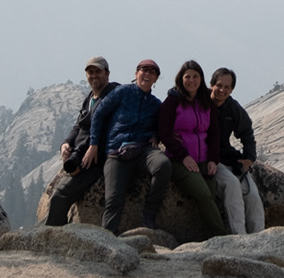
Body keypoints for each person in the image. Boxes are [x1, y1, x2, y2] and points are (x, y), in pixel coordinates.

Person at [87, 58, 171, 231]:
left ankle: (149, 214)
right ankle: (108, 239)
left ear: (156, 79)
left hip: (142, 151)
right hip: (116, 152)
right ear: (136, 73)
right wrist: (93, 144)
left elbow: (161, 126)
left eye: (151, 72)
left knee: (163, 165)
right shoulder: (122, 92)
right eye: (143, 70)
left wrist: (155, 135)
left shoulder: (156, 104)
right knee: (114, 199)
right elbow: (99, 114)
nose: (147, 74)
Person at [156, 59, 229, 236]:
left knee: (210, 197)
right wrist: (183, 156)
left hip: (204, 159)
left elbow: (214, 133)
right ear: (181, 79)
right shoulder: (172, 101)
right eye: (187, 76)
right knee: (204, 194)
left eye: (195, 76)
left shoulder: (206, 101)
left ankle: (208, 239)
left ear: (201, 78)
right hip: (179, 161)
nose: (191, 80)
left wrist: (213, 159)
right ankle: (222, 237)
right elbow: (164, 133)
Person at [42, 56, 115, 225]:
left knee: (60, 195)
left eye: (98, 71)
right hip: (80, 154)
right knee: (58, 196)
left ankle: (52, 238)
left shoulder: (112, 96)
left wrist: (85, 156)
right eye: (90, 72)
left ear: (107, 73)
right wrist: (65, 144)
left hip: (95, 159)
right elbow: (79, 126)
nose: (94, 75)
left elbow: (106, 129)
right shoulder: (90, 97)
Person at [209, 67, 264, 234]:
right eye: (219, 85)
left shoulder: (232, 108)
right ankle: (240, 239)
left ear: (231, 89)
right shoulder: (202, 103)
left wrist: (249, 158)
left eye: (227, 87)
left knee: (253, 196)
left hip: (229, 158)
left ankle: (260, 239)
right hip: (210, 158)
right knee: (232, 185)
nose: (222, 90)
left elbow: (246, 132)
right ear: (211, 85)